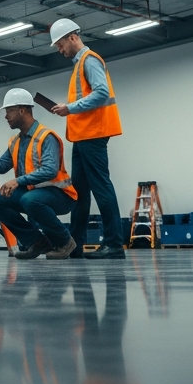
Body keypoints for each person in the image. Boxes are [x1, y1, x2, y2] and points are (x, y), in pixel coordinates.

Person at [0, 88, 79, 260]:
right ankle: (36, 241)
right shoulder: (16, 141)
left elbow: (50, 170)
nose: (6, 116)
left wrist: (17, 181)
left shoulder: (46, 136)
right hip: (34, 194)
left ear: (22, 110)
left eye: (9, 111)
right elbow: (2, 165)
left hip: (61, 195)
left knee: (29, 199)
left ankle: (65, 241)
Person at [47, 18, 125, 260]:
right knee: (79, 192)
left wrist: (69, 108)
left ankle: (113, 243)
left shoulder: (90, 60)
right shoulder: (79, 64)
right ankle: (76, 244)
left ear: (73, 37)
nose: (60, 50)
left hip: (93, 135)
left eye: (60, 44)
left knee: (101, 187)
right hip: (82, 137)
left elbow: (101, 93)